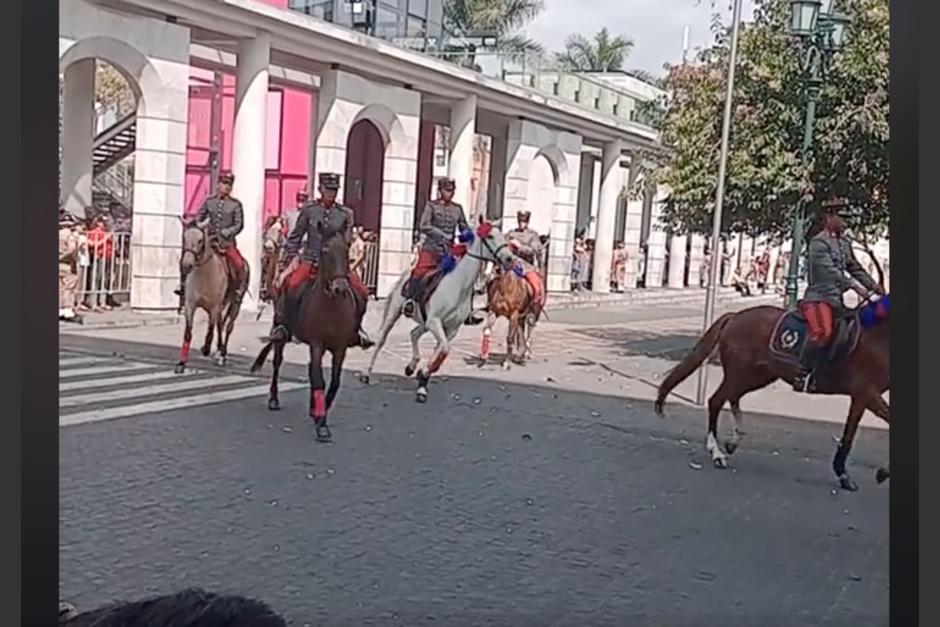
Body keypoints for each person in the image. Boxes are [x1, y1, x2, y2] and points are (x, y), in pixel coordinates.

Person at [270, 172, 372, 348]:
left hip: (336, 265)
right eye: (328, 190)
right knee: (291, 286)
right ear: (320, 189)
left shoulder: (345, 214)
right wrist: (287, 261)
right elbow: (296, 236)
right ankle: (285, 326)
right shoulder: (310, 210)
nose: (331, 194)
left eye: (334, 190)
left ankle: (356, 329)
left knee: (362, 292)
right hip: (311, 259)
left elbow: (346, 241)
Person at [792, 200, 884, 392]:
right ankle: (802, 373)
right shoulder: (818, 243)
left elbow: (855, 268)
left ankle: (831, 371)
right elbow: (830, 271)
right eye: (842, 218)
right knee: (822, 332)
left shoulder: (844, 243)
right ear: (829, 217)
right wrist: (855, 287)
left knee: (853, 331)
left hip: (835, 300)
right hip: (818, 298)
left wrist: (874, 286)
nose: (845, 223)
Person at [402, 177, 471, 317]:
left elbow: (464, 227)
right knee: (419, 272)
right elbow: (424, 225)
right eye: (446, 190)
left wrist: (470, 236)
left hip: (449, 251)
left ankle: (468, 310)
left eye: (451, 191)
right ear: (440, 191)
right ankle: (411, 301)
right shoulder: (431, 206)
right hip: (432, 248)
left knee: (465, 275)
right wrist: (441, 235)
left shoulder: (457, 209)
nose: (449, 194)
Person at [175, 171, 247, 301]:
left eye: (228, 185)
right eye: (223, 183)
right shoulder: (210, 202)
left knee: (239, 264)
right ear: (218, 185)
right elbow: (199, 216)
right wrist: (191, 222)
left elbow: (239, 224)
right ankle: (183, 285)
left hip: (226, 244)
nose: (226, 187)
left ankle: (237, 290)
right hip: (209, 242)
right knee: (188, 258)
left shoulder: (235, 205)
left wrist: (228, 232)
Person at [505, 210, 545, 313]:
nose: (522, 224)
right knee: (493, 281)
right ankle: (491, 304)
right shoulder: (511, 233)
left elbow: (535, 250)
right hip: (511, 264)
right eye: (520, 221)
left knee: (536, 287)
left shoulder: (533, 235)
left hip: (526, 266)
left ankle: (533, 309)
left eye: (524, 221)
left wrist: (520, 246)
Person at [58, 210, 82, 323]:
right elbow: (72, 250)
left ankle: (60, 309)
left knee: (60, 288)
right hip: (68, 264)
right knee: (69, 288)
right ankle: (68, 310)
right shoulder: (70, 235)